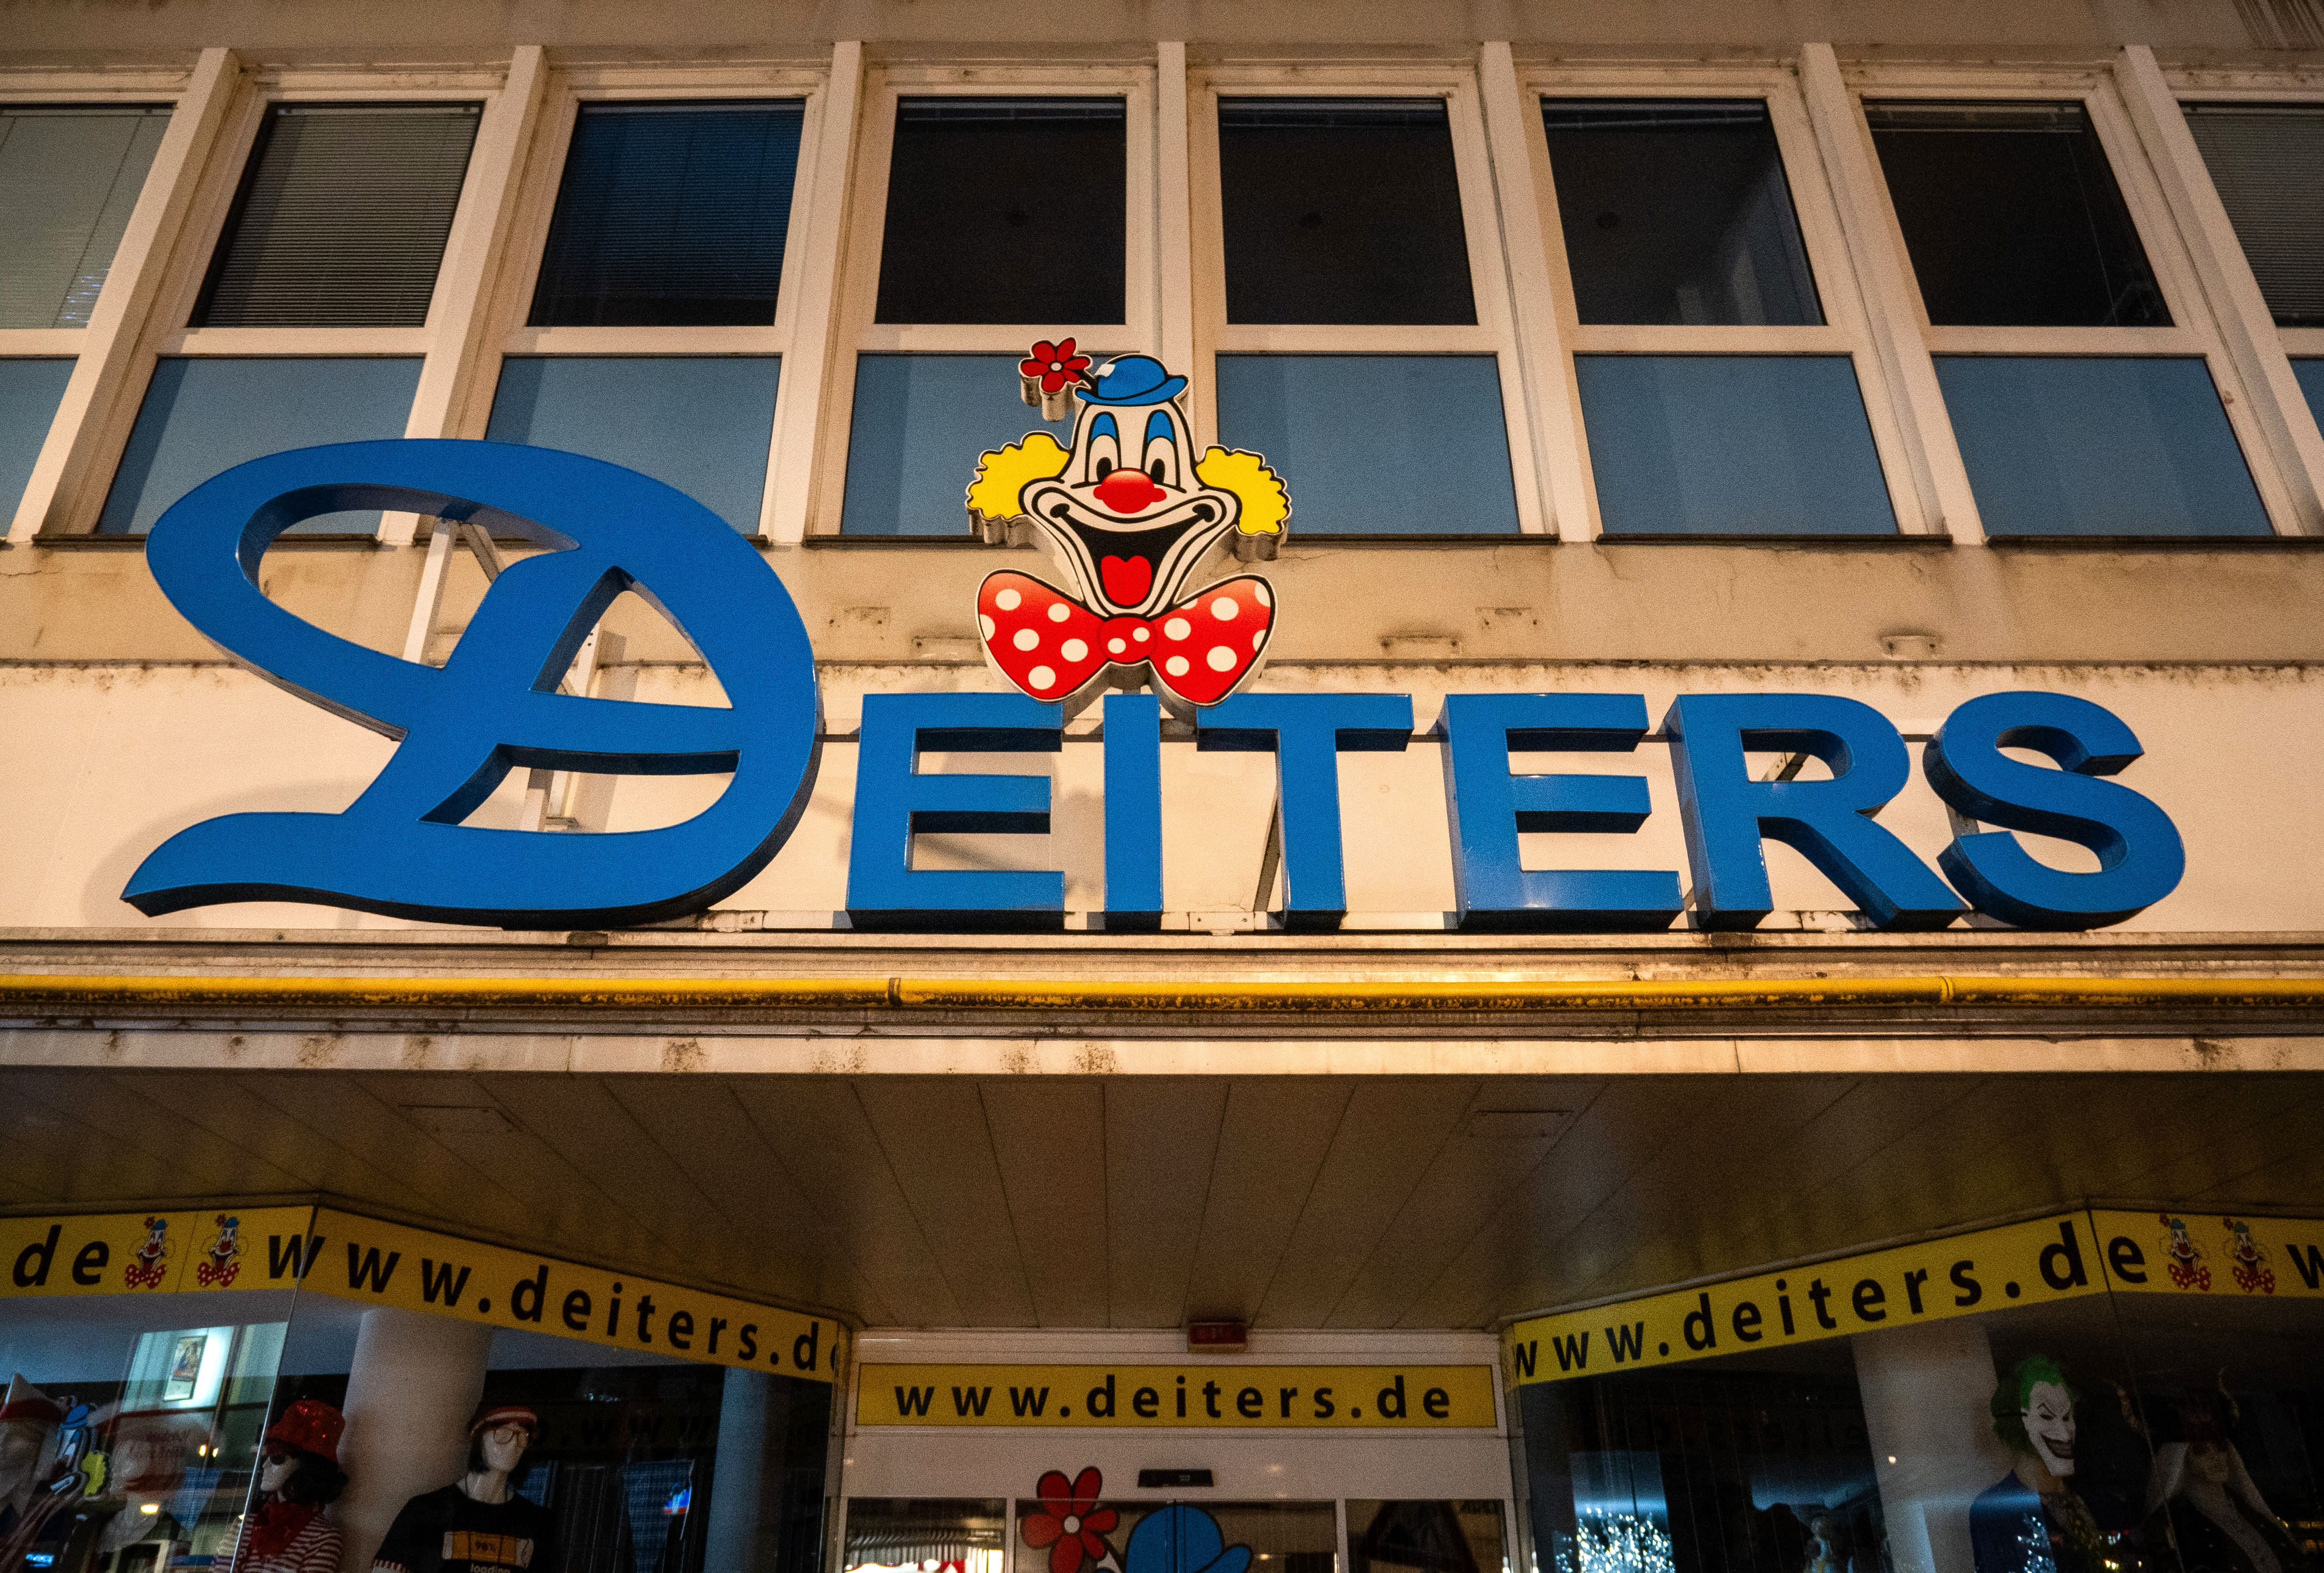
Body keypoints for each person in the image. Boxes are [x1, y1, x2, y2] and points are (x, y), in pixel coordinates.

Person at [1971, 1357, 2114, 1573]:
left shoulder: (2084, 1499)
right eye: (2047, 1416)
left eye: (2067, 1417)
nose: (2064, 1433)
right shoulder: (1994, 1509)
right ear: (2018, 1423)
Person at [372, 1405, 555, 1573]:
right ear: (478, 1438)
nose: (513, 1444)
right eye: (503, 1433)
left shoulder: (536, 1523)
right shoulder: (427, 1510)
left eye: (523, 1436)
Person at [2145, 1390, 2310, 1573]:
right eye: (2201, 1451)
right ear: (2180, 1460)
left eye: (2220, 1447)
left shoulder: (2251, 1514)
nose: (2215, 1457)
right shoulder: (2179, 1526)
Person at [228, 1400, 348, 1573]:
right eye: (266, 1457)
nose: (265, 1465)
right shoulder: (243, 1526)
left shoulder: (323, 1538)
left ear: (306, 1467)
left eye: (277, 1458)